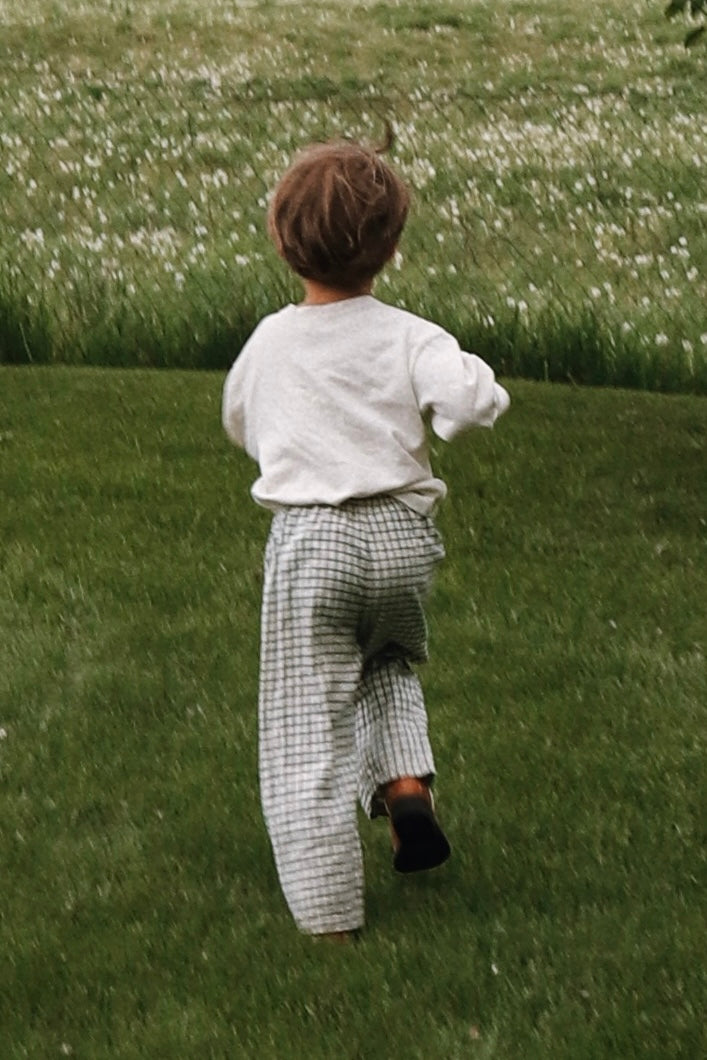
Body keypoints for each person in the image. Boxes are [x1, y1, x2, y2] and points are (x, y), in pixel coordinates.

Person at [222, 138, 510, 940]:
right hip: (400, 540)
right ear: (389, 247)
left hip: (313, 544)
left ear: (282, 242)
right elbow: (470, 405)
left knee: (305, 724)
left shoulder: (270, 341)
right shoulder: (410, 335)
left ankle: (328, 917)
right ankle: (405, 786)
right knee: (384, 661)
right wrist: (466, 399)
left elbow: (241, 421)